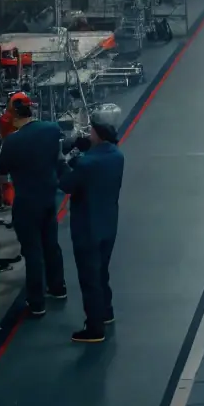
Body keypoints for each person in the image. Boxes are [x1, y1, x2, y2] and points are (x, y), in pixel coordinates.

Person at [0, 94, 67, 317]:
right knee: (51, 245)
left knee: (33, 251)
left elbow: (2, 169)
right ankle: (58, 288)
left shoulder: (13, 142)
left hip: (26, 203)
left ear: (15, 115)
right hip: (48, 197)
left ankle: (36, 302)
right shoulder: (52, 129)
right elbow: (58, 155)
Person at [59, 115, 126, 344]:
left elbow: (66, 184)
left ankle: (94, 328)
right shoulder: (117, 156)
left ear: (99, 135)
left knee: (89, 277)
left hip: (87, 228)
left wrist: (62, 160)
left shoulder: (87, 164)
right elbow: (98, 154)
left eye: (91, 133)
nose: (89, 135)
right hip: (108, 224)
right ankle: (106, 312)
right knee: (102, 271)